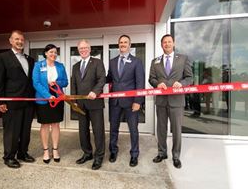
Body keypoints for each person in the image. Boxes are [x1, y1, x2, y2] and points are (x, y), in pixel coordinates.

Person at [149, 34, 193, 169]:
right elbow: (151, 78)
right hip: (161, 101)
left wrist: (182, 83)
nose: (167, 44)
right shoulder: (155, 61)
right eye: (164, 42)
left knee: (176, 130)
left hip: (176, 102)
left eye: (169, 42)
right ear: (161, 45)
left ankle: (176, 156)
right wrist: (157, 84)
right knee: (161, 129)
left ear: (173, 43)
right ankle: (162, 153)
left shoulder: (183, 59)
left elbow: (190, 78)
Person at [0, 30, 35, 168]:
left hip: (28, 101)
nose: (20, 42)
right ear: (10, 41)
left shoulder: (30, 59)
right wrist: (0, 101)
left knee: (25, 130)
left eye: (22, 39)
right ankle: (9, 157)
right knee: (12, 131)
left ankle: (22, 153)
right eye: (16, 39)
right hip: (11, 102)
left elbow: (31, 81)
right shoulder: (2, 57)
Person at [106, 35, 145, 167]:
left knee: (133, 129)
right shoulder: (112, 62)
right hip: (115, 102)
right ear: (118, 45)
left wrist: (138, 101)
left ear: (130, 45)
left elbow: (140, 83)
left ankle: (134, 154)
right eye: (121, 42)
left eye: (125, 42)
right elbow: (109, 78)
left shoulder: (136, 62)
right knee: (113, 128)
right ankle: (113, 151)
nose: (123, 44)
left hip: (131, 102)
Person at [71, 39, 106, 170]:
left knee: (98, 131)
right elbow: (73, 84)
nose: (83, 50)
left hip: (95, 102)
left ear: (90, 49)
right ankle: (87, 153)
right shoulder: (75, 66)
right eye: (81, 49)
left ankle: (99, 157)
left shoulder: (97, 62)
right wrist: (73, 100)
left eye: (85, 48)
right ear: (78, 50)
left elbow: (102, 79)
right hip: (81, 105)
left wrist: (95, 92)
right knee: (83, 131)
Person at [32, 44, 68, 164]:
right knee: (45, 125)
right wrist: (48, 96)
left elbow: (65, 82)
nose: (54, 54)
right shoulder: (38, 65)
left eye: (55, 52)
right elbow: (36, 83)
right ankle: (46, 151)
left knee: (56, 124)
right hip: (43, 99)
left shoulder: (60, 66)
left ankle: (55, 149)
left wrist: (56, 83)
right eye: (51, 52)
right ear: (46, 53)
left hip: (57, 97)